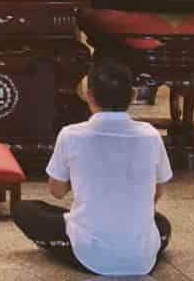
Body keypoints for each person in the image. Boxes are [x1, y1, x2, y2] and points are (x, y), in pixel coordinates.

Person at [13, 55, 172, 275]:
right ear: (133, 95)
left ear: (89, 97)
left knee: (25, 210)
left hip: (89, 254)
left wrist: (81, 175)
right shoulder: (151, 135)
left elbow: (56, 191)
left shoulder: (71, 134)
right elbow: (156, 192)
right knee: (162, 225)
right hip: (142, 256)